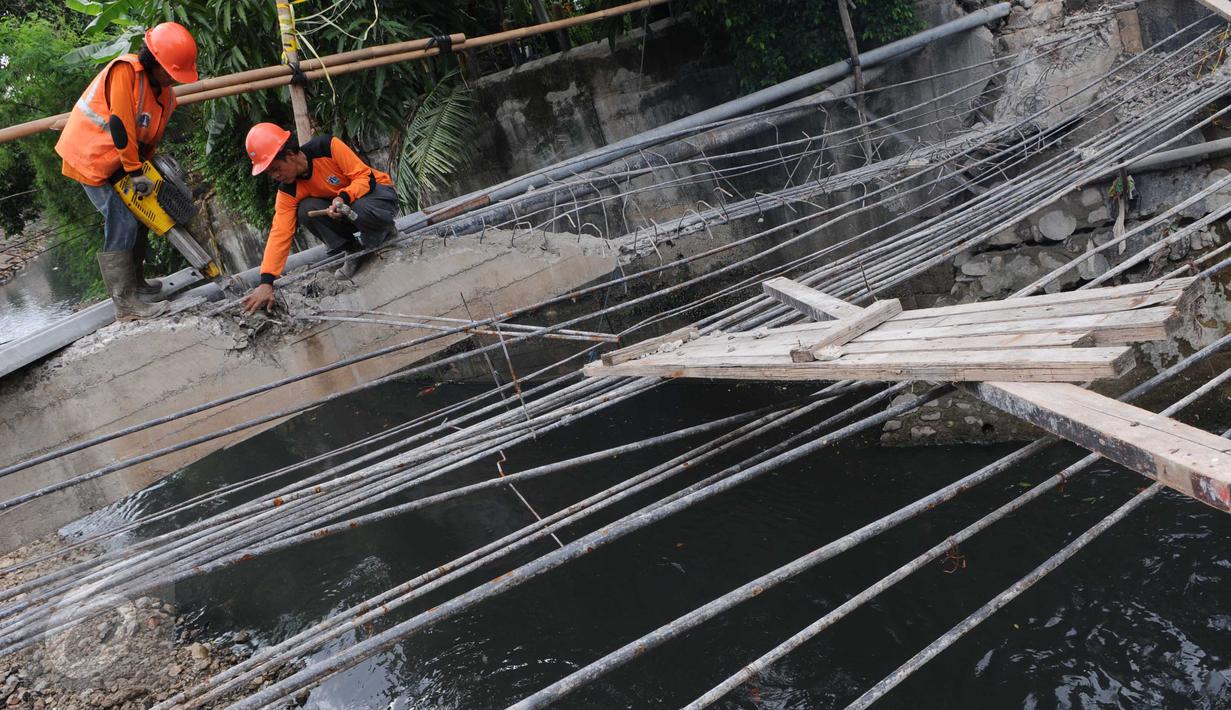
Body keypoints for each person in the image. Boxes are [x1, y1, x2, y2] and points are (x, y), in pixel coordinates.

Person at [55, 22, 199, 320]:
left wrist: (143, 171)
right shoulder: (125, 72)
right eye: (171, 73)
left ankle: (137, 286)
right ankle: (124, 303)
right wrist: (135, 172)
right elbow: (120, 123)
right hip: (89, 155)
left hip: (121, 160)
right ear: (154, 63)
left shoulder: (167, 97)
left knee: (141, 214)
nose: (174, 80)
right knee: (121, 219)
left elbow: (148, 139)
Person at [240, 123, 397, 314]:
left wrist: (343, 197)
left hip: (376, 196)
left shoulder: (327, 147)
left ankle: (384, 236)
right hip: (344, 213)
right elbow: (280, 232)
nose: (275, 176)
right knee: (306, 210)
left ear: (289, 154)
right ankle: (353, 250)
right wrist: (266, 282)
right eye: (270, 173)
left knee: (359, 206)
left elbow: (365, 177)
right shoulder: (288, 191)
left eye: (275, 169)